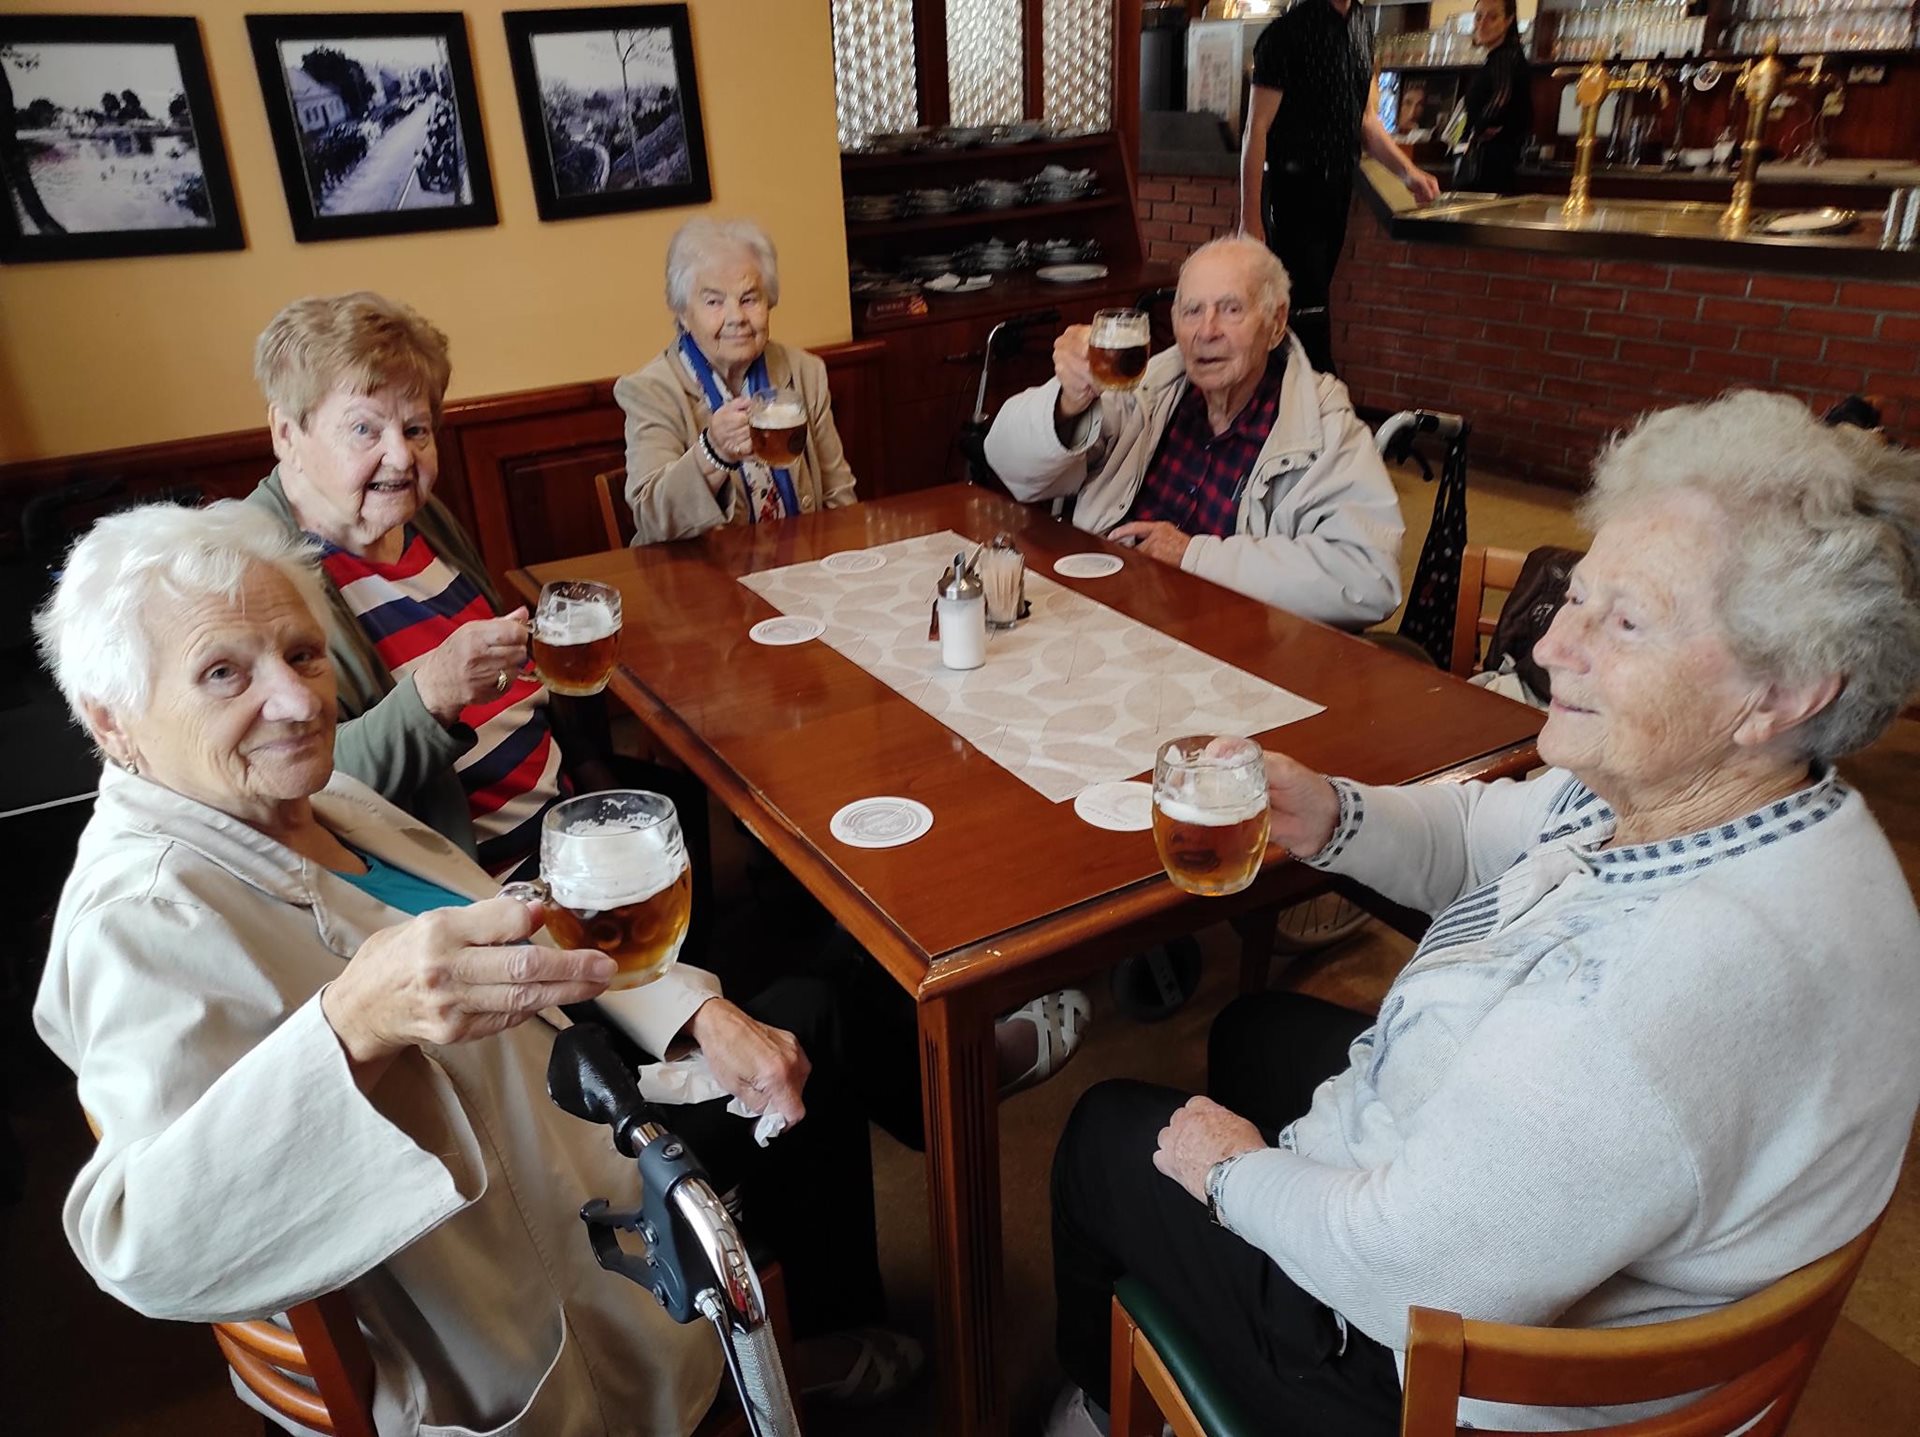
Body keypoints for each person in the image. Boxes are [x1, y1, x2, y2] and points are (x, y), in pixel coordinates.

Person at [1046, 390, 1920, 1435]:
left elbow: (1407, 1276)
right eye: (1580, 596)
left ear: (1785, 691)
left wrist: (1230, 1173)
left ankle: (1104, 1405)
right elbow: (1477, 837)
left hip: (1433, 1379)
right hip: (1509, 1213)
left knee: (1105, 1136)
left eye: (1627, 623)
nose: (1553, 648)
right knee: (1252, 1032)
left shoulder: (1656, 992)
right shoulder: (1727, 794)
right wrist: (1333, 812)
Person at [33, 501, 925, 1434]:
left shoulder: (319, 799)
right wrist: (353, 1027)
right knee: (822, 1005)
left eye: (301, 654)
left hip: (580, 1130)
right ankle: (796, 1346)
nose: (298, 701)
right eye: (224, 672)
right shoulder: (143, 915)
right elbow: (144, 1246)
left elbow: (512, 928)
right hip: (529, 1308)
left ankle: (797, 1342)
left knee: (797, 1012)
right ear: (112, 720)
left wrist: (693, 1013)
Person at [246, 291, 711, 938]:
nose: (402, 456)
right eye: (364, 429)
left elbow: (515, 684)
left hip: (562, 822)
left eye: (416, 429)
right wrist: (431, 695)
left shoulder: (420, 520)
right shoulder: (255, 574)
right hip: (476, 896)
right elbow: (298, 785)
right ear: (286, 434)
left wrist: (583, 772)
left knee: (693, 831)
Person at [984, 236, 1404, 628]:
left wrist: (1192, 555)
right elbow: (1008, 463)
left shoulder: (1320, 424)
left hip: (1228, 639)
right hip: (1105, 614)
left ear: (1276, 323)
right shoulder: (1145, 390)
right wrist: (1068, 401)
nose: (1207, 331)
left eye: (1231, 309)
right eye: (1192, 311)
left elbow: (1368, 578)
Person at [618, 217, 857, 542]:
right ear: (683, 314)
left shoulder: (805, 371)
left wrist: (844, 561)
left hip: (802, 563)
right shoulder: (651, 390)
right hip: (701, 572)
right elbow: (653, 520)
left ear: (769, 302)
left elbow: (839, 497)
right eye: (714, 302)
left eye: (749, 299)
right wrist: (713, 451)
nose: (736, 318)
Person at [1239, 0, 1442, 373]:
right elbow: (1256, 130)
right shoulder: (1284, 34)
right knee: (1303, 311)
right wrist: (1249, 218)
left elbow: (1365, 120)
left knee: (1310, 305)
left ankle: (1304, 392)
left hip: (1337, 190)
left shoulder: (1361, 27)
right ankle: (1317, 389)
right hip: (1292, 191)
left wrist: (1408, 173)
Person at [1455, 0, 1534, 193]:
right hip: (1493, 160)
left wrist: (1479, 128)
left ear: (1508, 20)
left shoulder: (1504, 56)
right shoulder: (1504, 56)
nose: (1482, 24)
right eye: (1478, 16)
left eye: (1492, 17)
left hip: (1491, 163)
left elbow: (1502, 95)